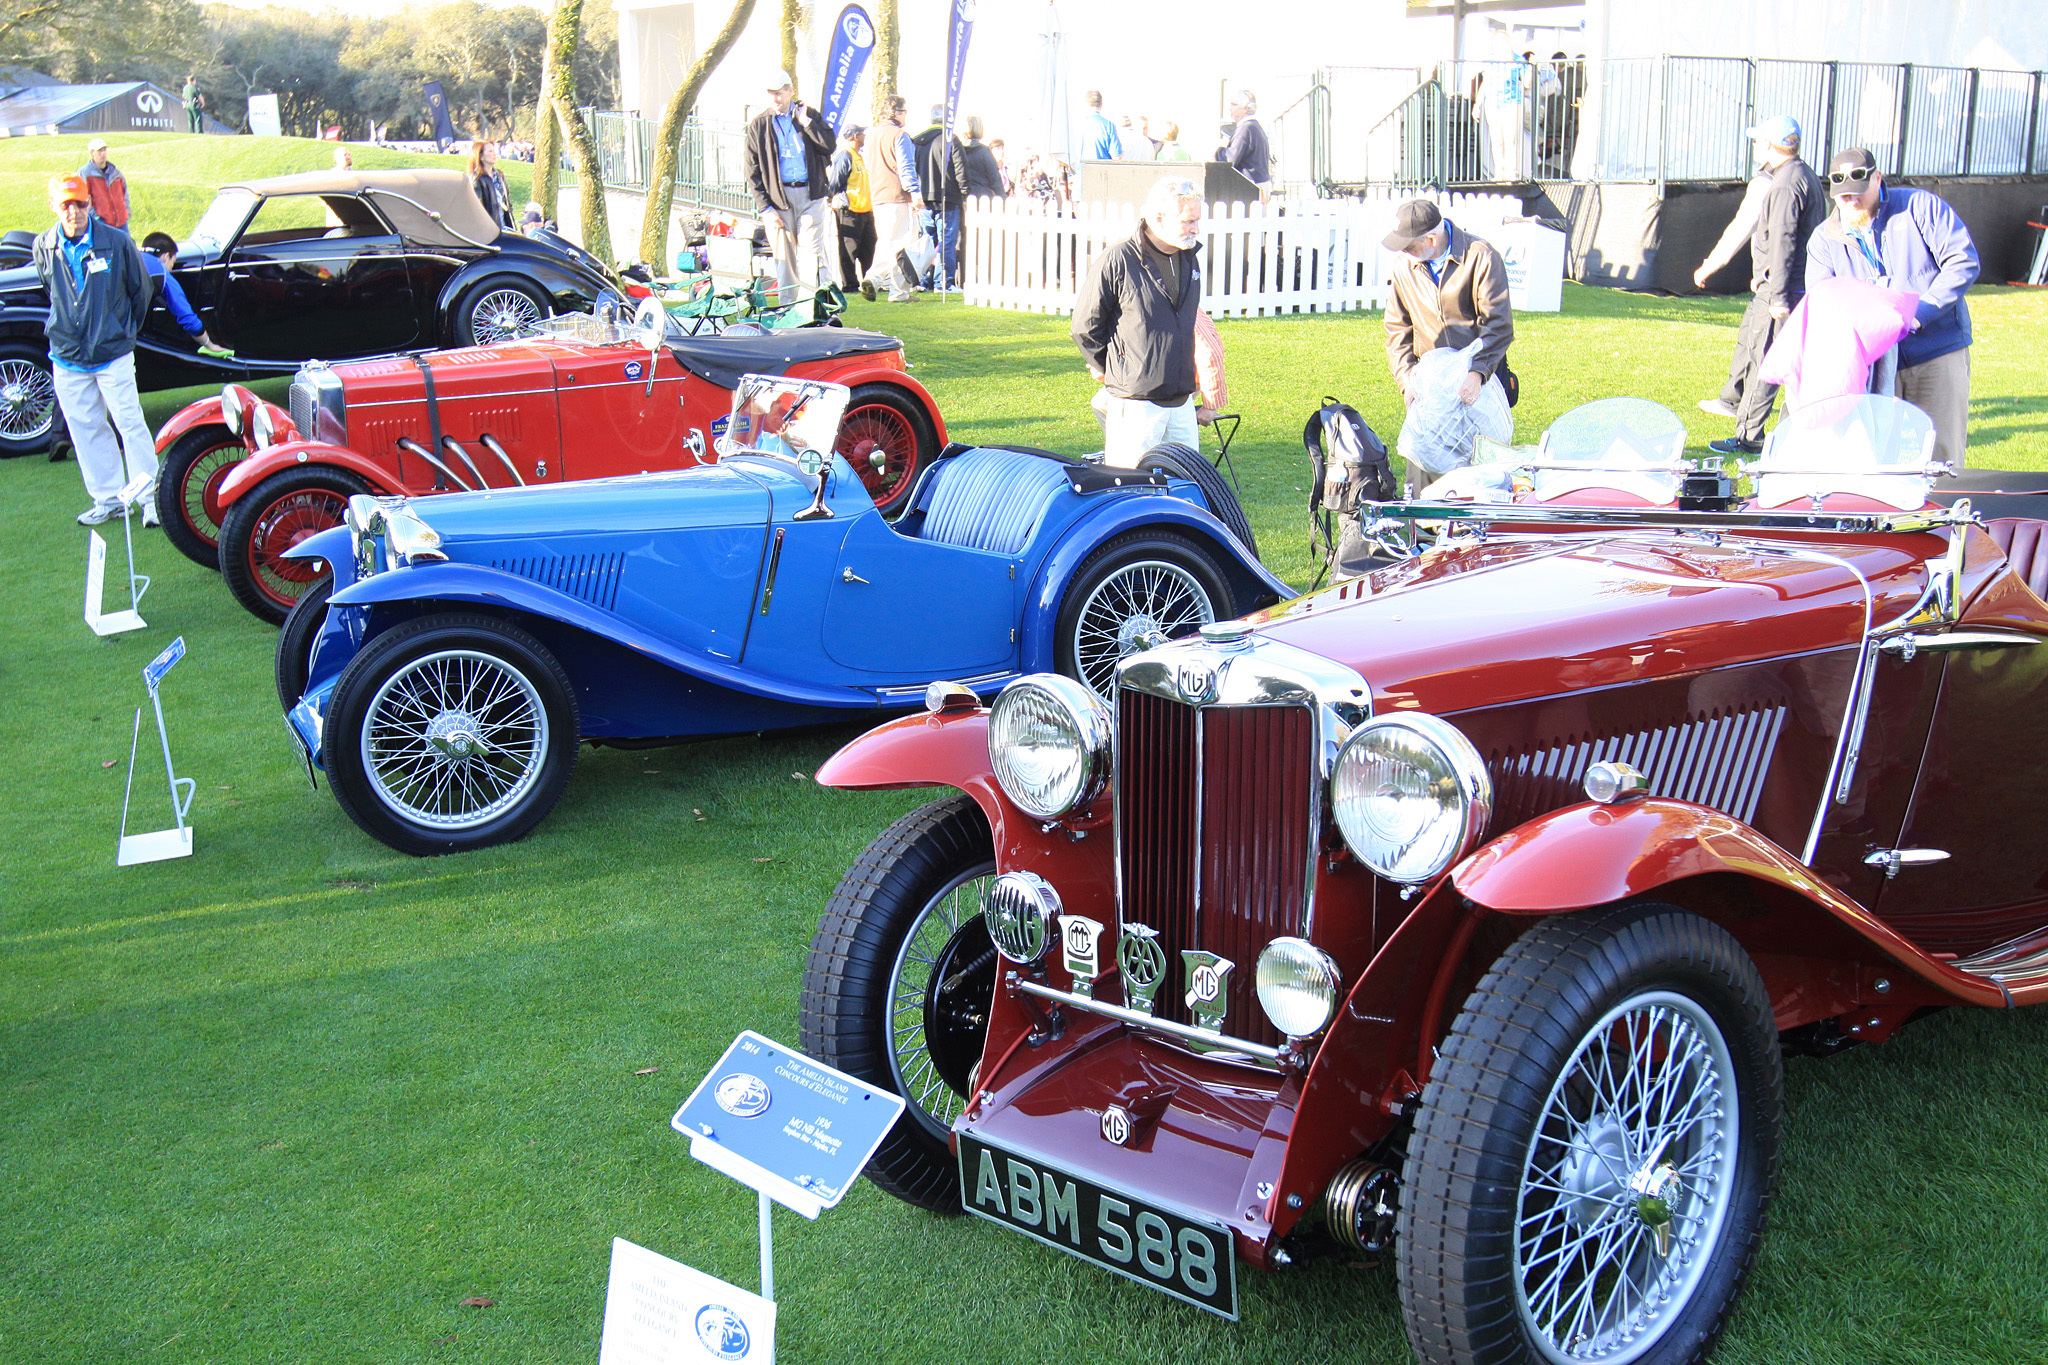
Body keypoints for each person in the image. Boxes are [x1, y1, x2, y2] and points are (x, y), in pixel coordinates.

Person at [1806, 147, 1981, 467]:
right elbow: (1820, 301)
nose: (1852, 202)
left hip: (1935, 350)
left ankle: (1944, 516)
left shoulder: (1920, 207)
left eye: (1859, 193)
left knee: (1941, 457)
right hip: (1871, 363)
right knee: (1872, 459)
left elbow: (1962, 261)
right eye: (1843, 197)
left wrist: (1920, 313)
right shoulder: (1823, 240)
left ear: (1878, 178)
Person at [35, 174, 158, 526]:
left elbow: (141, 291)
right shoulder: (43, 244)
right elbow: (52, 290)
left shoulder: (117, 241)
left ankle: (149, 499)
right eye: (66, 204)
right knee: (86, 429)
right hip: (67, 355)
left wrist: (120, 332)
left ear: (90, 202)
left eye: (80, 203)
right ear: (53, 207)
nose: (74, 211)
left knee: (130, 424)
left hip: (113, 353)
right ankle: (108, 499)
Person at [1700, 116, 1825, 455]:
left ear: (1772, 145)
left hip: (1784, 289)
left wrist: (1778, 295)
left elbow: (1784, 240)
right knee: (1764, 353)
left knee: (1766, 361)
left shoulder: (1784, 184)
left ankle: (1749, 438)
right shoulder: (1803, 174)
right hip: (1787, 284)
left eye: (1758, 141)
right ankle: (1761, 426)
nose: (1754, 146)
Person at [1072, 176, 1206, 468]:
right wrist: (1113, 368)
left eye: (1197, 220)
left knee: (1187, 488)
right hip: (1136, 404)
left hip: (1181, 400)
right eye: (1187, 221)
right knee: (1133, 491)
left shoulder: (1189, 259)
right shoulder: (1118, 259)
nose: (1195, 228)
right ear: (1159, 218)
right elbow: (1085, 326)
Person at [1381, 198, 1515, 463]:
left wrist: (1477, 373)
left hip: (1480, 379)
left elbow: (1498, 324)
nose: (1403, 252)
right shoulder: (1403, 266)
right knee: (1425, 467)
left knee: (1482, 468)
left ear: (1431, 239)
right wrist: (1406, 380)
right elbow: (1397, 328)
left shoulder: (1482, 256)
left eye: (1408, 245)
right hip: (1431, 383)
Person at [744, 71, 836, 297]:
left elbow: (829, 146)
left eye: (780, 93)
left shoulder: (808, 115)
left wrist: (806, 123)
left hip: (810, 194)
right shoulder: (760, 124)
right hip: (778, 199)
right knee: (784, 257)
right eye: (771, 94)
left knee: (812, 253)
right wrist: (765, 208)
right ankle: (788, 308)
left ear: (790, 91)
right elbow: (751, 170)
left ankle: (819, 305)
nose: (776, 98)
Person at [861, 94, 922, 302]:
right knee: (899, 245)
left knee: (886, 241)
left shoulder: (871, 136)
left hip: (878, 196)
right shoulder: (899, 136)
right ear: (897, 112)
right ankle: (889, 286)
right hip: (897, 196)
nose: (906, 116)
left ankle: (877, 280)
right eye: (904, 111)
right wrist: (914, 192)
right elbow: (906, 167)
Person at [911, 105, 967, 289]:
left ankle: (925, 280)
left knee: (927, 241)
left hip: (925, 199)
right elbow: (960, 170)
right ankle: (944, 281)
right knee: (946, 242)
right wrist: (966, 193)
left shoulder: (917, 141)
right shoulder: (950, 140)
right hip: (947, 199)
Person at [138, 232, 221, 353]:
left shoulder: (128, 254)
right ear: (166, 256)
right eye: (172, 263)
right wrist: (210, 345)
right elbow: (186, 316)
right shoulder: (161, 272)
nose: (171, 269)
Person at [828, 125, 876, 294]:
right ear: (855, 136)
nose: (864, 136)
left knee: (869, 247)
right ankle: (850, 285)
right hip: (849, 209)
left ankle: (869, 282)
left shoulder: (859, 157)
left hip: (865, 209)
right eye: (862, 134)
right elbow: (834, 182)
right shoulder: (845, 157)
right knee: (849, 249)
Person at [1223, 91, 1270, 200]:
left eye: (1234, 104)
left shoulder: (1245, 128)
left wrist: (1218, 152)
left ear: (1246, 109)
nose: (1230, 108)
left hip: (1252, 186)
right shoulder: (1255, 127)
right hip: (1261, 183)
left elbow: (1230, 159)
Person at [81, 139, 129, 229]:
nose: (103, 153)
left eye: (104, 150)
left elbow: (124, 192)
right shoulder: (85, 173)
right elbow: (83, 197)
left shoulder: (115, 172)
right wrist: (95, 217)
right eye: (99, 151)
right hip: (102, 222)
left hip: (121, 221)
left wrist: (126, 212)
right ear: (92, 153)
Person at [467, 139, 512, 230]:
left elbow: (507, 202)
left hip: (504, 226)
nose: (495, 154)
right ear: (480, 156)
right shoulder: (476, 179)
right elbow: (477, 209)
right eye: (490, 151)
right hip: (488, 229)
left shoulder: (499, 176)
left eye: (494, 150)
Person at [961, 117, 1005, 201]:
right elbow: (995, 179)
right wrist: (1003, 198)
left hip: (962, 198)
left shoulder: (957, 151)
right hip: (983, 200)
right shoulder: (984, 152)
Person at [1083, 90, 1122, 161]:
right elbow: (1117, 157)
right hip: (1101, 170)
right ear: (1101, 104)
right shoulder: (1108, 125)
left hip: (1080, 169)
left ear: (1085, 103)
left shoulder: (1078, 126)